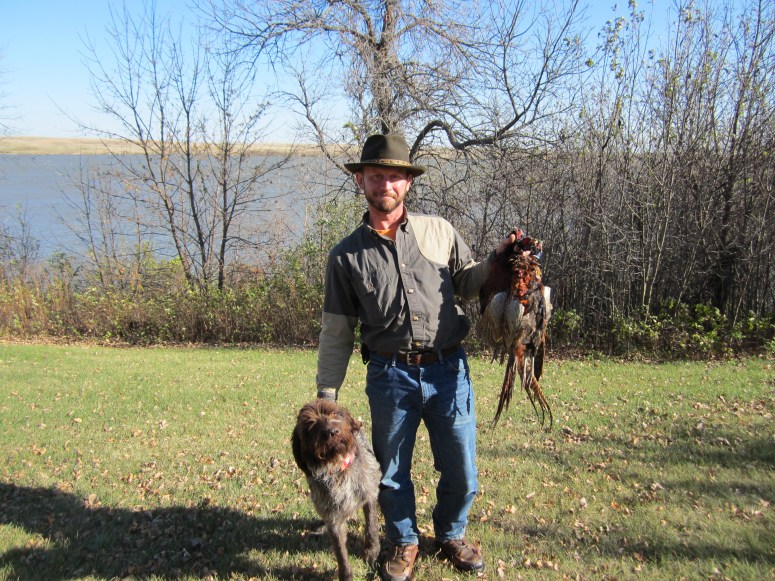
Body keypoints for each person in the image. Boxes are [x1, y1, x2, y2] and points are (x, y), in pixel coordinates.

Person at [316, 133, 514, 581]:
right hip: (389, 376)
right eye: (376, 175)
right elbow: (337, 330)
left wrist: (497, 260)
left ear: (407, 183)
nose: (386, 184)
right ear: (360, 181)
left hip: (449, 370)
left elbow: (468, 282)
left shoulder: (438, 230)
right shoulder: (345, 256)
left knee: (462, 467)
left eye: (395, 177)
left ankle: (451, 534)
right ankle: (403, 541)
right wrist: (327, 393)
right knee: (390, 473)